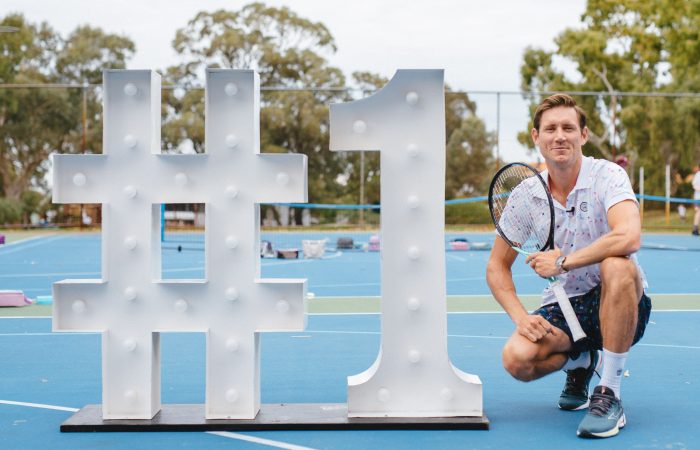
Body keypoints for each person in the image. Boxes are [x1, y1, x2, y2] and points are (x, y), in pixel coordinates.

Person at [486, 94, 652, 439]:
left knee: (618, 266)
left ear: (584, 135)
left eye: (568, 128)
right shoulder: (525, 196)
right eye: (550, 129)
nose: (559, 135)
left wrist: (563, 261)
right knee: (516, 359)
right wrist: (521, 317)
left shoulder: (608, 176)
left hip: (620, 298)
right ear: (536, 137)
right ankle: (579, 361)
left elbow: (629, 235)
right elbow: (497, 267)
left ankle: (608, 393)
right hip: (566, 306)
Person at [692, 165, 700, 235]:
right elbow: (694, 185)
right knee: (698, 212)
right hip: (698, 198)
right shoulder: (698, 174)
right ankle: (695, 229)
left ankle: (695, 228)